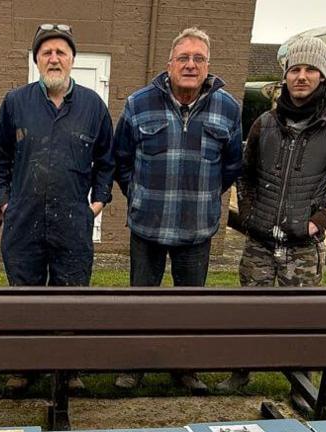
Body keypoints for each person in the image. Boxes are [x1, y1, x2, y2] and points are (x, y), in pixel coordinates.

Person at [218, 35, 326, 393]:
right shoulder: (265, 124)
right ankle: (241, 373)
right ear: (285, 76)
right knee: (249, 315)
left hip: (304, 246)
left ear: (323, 76)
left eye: (310, 70)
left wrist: (319, 221)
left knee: (303, 319)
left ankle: (302, 386)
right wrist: (250, 214)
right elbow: (246, 173)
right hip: (260, 242)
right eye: (295, 69)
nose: (301, 76)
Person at [0, 23, 114, 395]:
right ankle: (25, 367)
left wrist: (99, 199)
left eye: (61, 52)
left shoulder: (93, 106)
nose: (54, 58)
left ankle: (67, 369)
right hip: (23, 220)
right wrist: (3, 200)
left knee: (71, 297)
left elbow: (107, 159)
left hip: (73, 221)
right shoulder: (16, 103)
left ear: (72, 59)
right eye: (46, 53)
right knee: (24, 297)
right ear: (37, 60)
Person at [112, 27, 243, 395]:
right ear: (169, 64)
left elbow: (232, 166)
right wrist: (137, 194)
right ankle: (133, 367)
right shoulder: (139, 103)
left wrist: (203, 197)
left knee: (191, 307)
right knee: (141, 303)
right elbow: (121, 159)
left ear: (208, 65)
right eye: (183, 58)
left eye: (198, 58)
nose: (190, 64)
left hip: (197, 230)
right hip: (147, 226)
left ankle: (184, 369)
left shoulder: (228, 108)